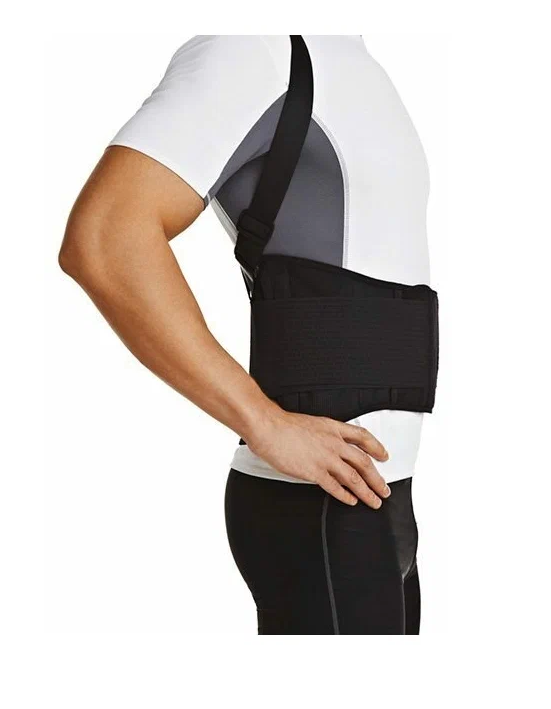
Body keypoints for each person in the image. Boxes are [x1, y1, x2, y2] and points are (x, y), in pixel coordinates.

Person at [59, 35, 433, 634]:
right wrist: (263, 422)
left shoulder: (353, 57)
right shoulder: (252, 47)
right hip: (315, 502)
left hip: (380, 496)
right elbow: (103, 238)